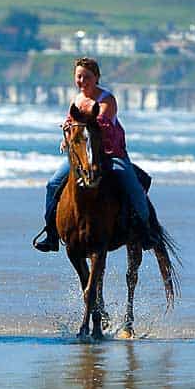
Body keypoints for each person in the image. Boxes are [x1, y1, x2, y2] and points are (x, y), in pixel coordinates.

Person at [33, 56, 158, 252]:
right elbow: (72, 124)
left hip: (111, 154)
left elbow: (101, 123)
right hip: (83, 156)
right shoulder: (76, 100)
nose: (82, 81)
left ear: (97, 77)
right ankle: (51, 233)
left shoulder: (107, 99)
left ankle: (144, 230)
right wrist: (67, 135)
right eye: (79, 77)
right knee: (52, 184)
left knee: (132, 185)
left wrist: (80, 126)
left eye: (86, 77)